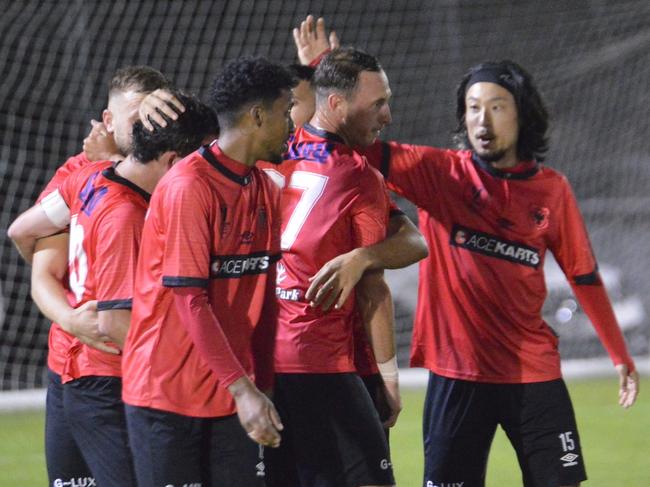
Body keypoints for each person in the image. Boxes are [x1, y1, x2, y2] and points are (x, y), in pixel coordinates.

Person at [319, 59, 640, 487]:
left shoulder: (552, 190)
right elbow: (348, 143)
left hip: (533, 375)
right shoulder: (440, 173)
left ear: (523, 114)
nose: (482, 119)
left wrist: (620, 355)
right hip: (457, 376)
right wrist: (323, 77)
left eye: (497, 106)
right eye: (472, 107)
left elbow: (583, 275)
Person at [9, 90, 218, 486]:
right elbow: (115, 322)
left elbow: (21, 231)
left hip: (85, 369)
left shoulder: (88, 175)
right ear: (108, 118)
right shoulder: (128, 217)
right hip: (109, 376)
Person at [120, 56, 294, 487]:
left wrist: (264, 382)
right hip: (168, 397)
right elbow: (190, 300)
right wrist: (244, 389)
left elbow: (263, 296)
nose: (291, 123)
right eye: (285, 112)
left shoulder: (263, 188)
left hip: (233, 393)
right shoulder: (188, 187)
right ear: (257, 116)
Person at [257, 47, 411, 487]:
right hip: (321, 361)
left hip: (264, 363)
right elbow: (372, 288)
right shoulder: (358, 176)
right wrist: (389, 378)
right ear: (336, 105)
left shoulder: (268, 154)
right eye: (378, 103)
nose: (387, 115)